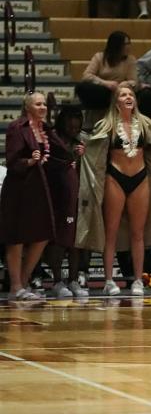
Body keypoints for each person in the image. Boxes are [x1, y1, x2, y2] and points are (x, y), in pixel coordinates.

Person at [77, 85, 151, 296]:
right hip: (115, 177)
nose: (128, 97)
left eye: (131, 94)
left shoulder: (145, 123)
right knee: (111, 233)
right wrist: (85, 150)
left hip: (140, 178)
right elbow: (93, 146)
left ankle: (138, 279)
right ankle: (109, 280)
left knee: (138, 233)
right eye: (123, 94)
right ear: (116, 101)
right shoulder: (107, 124)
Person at [1, 93, 75, 301]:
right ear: (28, 107)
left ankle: (24, 281)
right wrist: (29, 162)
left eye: (44, 104)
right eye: (38, 104)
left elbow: (59, 154)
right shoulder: (18, 128)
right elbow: (12, 160)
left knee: (42, 235)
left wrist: (73, 156)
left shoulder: (46, 130)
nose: (43, 107)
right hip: (19, 189)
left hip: (41, 190)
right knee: (15, 238)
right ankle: (15, 286)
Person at [43, 105, 90, 299]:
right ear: (62, 121)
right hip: (55, 196)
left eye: (77, 121)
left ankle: (73, 279)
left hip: (78, 196)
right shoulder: (52, 139)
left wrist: (85, 155)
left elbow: (95, 165)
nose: (73, 126)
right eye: (70, 121)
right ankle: (57, 281)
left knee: (75, 242)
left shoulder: (84, 140)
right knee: (58, 241)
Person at [76, 31, 138, 111]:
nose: (128, 46)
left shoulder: (130, 60)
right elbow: (86, 76)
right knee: (82, 87)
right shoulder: (99, 57)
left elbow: (134, 81)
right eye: (125, 44)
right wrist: (105, 83)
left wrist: (125, 83)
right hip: (102, 89)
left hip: (118, 90)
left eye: (129, 43)